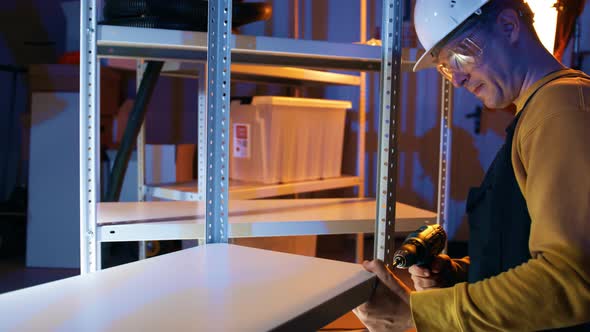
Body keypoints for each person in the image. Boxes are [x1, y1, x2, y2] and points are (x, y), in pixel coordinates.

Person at [354, 0, 590, 330]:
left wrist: (419, 314)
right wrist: (459, 275)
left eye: (461, 55)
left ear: (508, 25)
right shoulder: (539, 110)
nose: (458, 79)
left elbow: (570, 278)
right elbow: (524, 249)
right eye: (446, 67)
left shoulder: (560, 112)